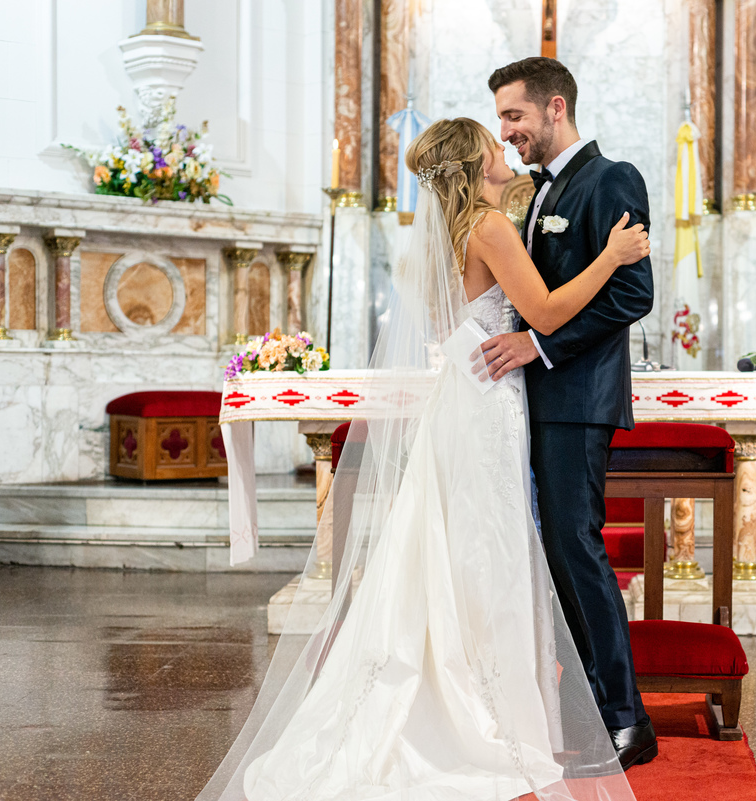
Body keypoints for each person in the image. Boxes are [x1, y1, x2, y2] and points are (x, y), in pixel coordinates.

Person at [196, 116, 650, 801]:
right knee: (488, 549)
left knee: (457, 546)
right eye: (493, 144)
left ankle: (458, 686)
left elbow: (455, 323)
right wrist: (610, 257)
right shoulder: (490, 229)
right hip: (492, 404)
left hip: (460, 400)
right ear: (474, 164)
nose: (505, 149)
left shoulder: (441, 237)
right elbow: (548, 313)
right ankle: (488, 707)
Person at [479, 57, 658, 769]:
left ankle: (625, 718)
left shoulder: (611, 178)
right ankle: (588, 706)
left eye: (515, 116)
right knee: (558, 552)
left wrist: (539, 346)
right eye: (501, 120)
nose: (507, 130)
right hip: (539, 398)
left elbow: (632, 294)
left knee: (578, 550)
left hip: (577, 397)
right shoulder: (534, 190)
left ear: (555, 108)